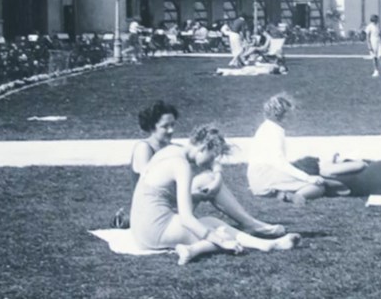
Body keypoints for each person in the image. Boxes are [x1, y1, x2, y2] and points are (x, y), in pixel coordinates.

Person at [130, 124, 302, 265]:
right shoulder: (181, 166)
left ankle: (196, 248)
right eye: (212, 157)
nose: (211, 163)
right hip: (155, 230)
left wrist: (211, 180)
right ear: (204, 148)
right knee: (217, 228)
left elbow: (163, 194)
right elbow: (186, 218)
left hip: (140, 228)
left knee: (211, 221)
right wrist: (221, 241)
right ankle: (266, 244)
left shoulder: (170, 152)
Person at [113, 101, 285, 238]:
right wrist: (197, 195)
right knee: (204, 182)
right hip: (153, 209)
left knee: (207, 179)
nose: (171, 130)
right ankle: (252, 225)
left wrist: (217, 178)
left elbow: (213, 163)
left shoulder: (172, 147)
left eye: (173, 125)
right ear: (152, 127)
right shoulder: (144, 148)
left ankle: (251, 224)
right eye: (165, 126)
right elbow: (149, 188)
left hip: (171, 204)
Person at [247, 93, 338, 204]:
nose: (292, 117)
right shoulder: (273, 132)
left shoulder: (268, 128)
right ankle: (298, 196)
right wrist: (307, 178)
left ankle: (284, 194)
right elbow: (279, 162)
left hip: (259, 179)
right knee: (318, 186)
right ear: (280, 115)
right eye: (289, 114)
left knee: (310, 176)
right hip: (266, 180)